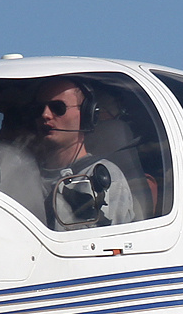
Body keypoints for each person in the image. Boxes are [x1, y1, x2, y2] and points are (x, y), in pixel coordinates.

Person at [25, 77, 135, 229]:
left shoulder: (102, 177)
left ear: (86, 114)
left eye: (57, 108)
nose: (45, 115)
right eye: (39, 109)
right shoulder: (23, 175)